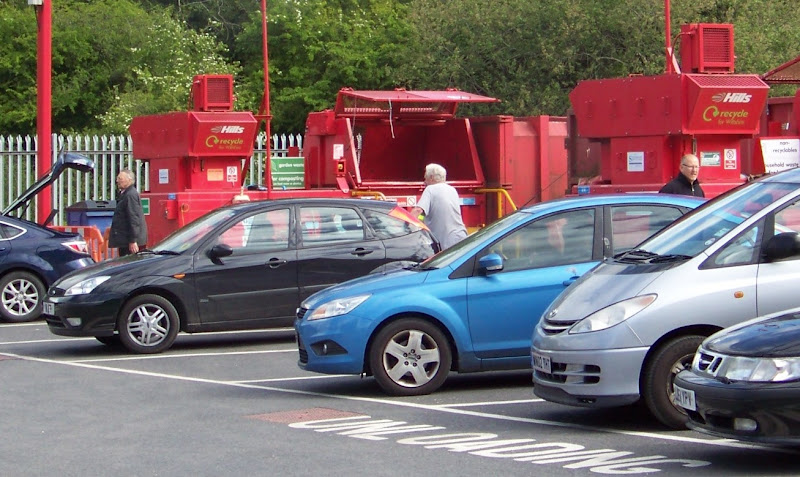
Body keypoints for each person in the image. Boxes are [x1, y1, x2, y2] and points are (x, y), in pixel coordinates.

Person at [410, 163, 468, 249]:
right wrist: (421, 220)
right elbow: (425, 214)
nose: (424, 181)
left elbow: (418, 211)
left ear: (432, 177)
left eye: (425, 178)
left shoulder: (430, 189)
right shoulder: (452, 189)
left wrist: (406, 224)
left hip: (445, 241)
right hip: (461, 237)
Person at [109, 169, 148, 256]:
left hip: (129, 242)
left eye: (120, 179)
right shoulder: (126, 194)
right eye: (117, 178)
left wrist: (133, 240)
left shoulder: (130, 195)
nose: (117, 181)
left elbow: (134, 218)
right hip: (125, 241)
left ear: (129, 180)